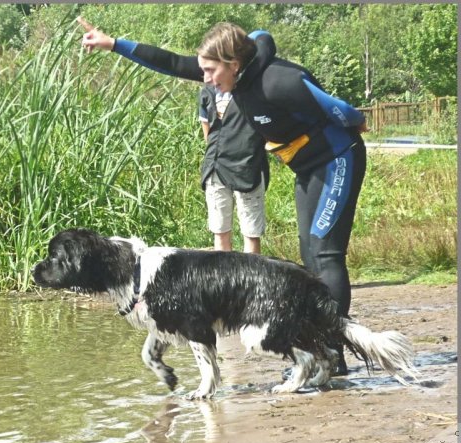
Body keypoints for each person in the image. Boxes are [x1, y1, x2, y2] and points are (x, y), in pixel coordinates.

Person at [78, 18, 368, 375]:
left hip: (338, 159)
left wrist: (356, 120)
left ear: (233, 64)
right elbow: (170, 62)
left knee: (325, 254)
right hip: (307, 167)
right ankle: (322, 348)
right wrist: (113, 43)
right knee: (310, 254)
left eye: (212, 70)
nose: (206, 78)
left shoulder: (278, 82)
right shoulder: (231, 75)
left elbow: (336, 106)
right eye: (204, 70)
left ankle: (334, 354)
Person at [198, 83, 269, 253]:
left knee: (251, 233)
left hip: (249, 168)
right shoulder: (207, 93)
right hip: (215, 169)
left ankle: (251, 279)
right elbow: (209, 135)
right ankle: (225, 279)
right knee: (220, 231)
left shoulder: (254, 90)